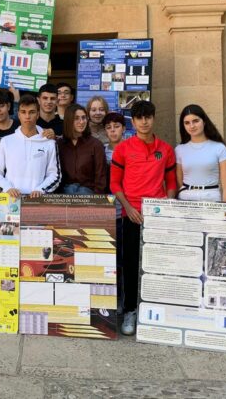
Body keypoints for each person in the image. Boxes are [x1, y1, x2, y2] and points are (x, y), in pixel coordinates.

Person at [110, 100, 176, 336]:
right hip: (132, 214)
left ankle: (155, 311)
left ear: (154, 118)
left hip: (157, 215)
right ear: (133, 121)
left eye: (148, 117)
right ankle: (129, 311)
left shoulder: (166, 149)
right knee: (129, 264)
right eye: (139, 118)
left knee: (156, 265)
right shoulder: (123, 148)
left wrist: (166, 205)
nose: (144, 121)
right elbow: (115, 183)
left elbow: (171, 183)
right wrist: (127, 207)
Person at [0, 94, 62, 198]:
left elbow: (55, 174)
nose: (27, 116)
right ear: (18, 114)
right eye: (23, 112)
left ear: (37, 115)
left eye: (31, 112)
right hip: (12, 201)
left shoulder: (49, 143)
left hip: (38, 202)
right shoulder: (6, 141)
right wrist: (7, 188)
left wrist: (41, 189)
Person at [175, 105, 226, 203]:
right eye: (187, 123)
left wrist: (225, 211)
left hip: (211, 198)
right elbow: (179, 181)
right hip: (185, 199)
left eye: (196, 121)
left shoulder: (219, 148)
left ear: (204, 121)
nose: (192, 126)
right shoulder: (179, 149)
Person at [103, 112, 126, 311]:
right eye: (109, 127)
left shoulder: (130, 149)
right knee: (107, 260)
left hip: (124, 211)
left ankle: (123, 298)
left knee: (122, 260)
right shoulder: (100, 151)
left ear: (124, 129)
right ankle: (110, 297)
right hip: (105, 211)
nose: (113, 130)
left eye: (116, 126)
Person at [58, 104, 107, 195]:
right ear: (69, 120)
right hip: (64, 195)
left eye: (84, 118)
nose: (81, 122)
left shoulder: (96, 145)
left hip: (88, 193)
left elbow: (101, 176)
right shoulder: (60, 144)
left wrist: (97, 200)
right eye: (76, 118)